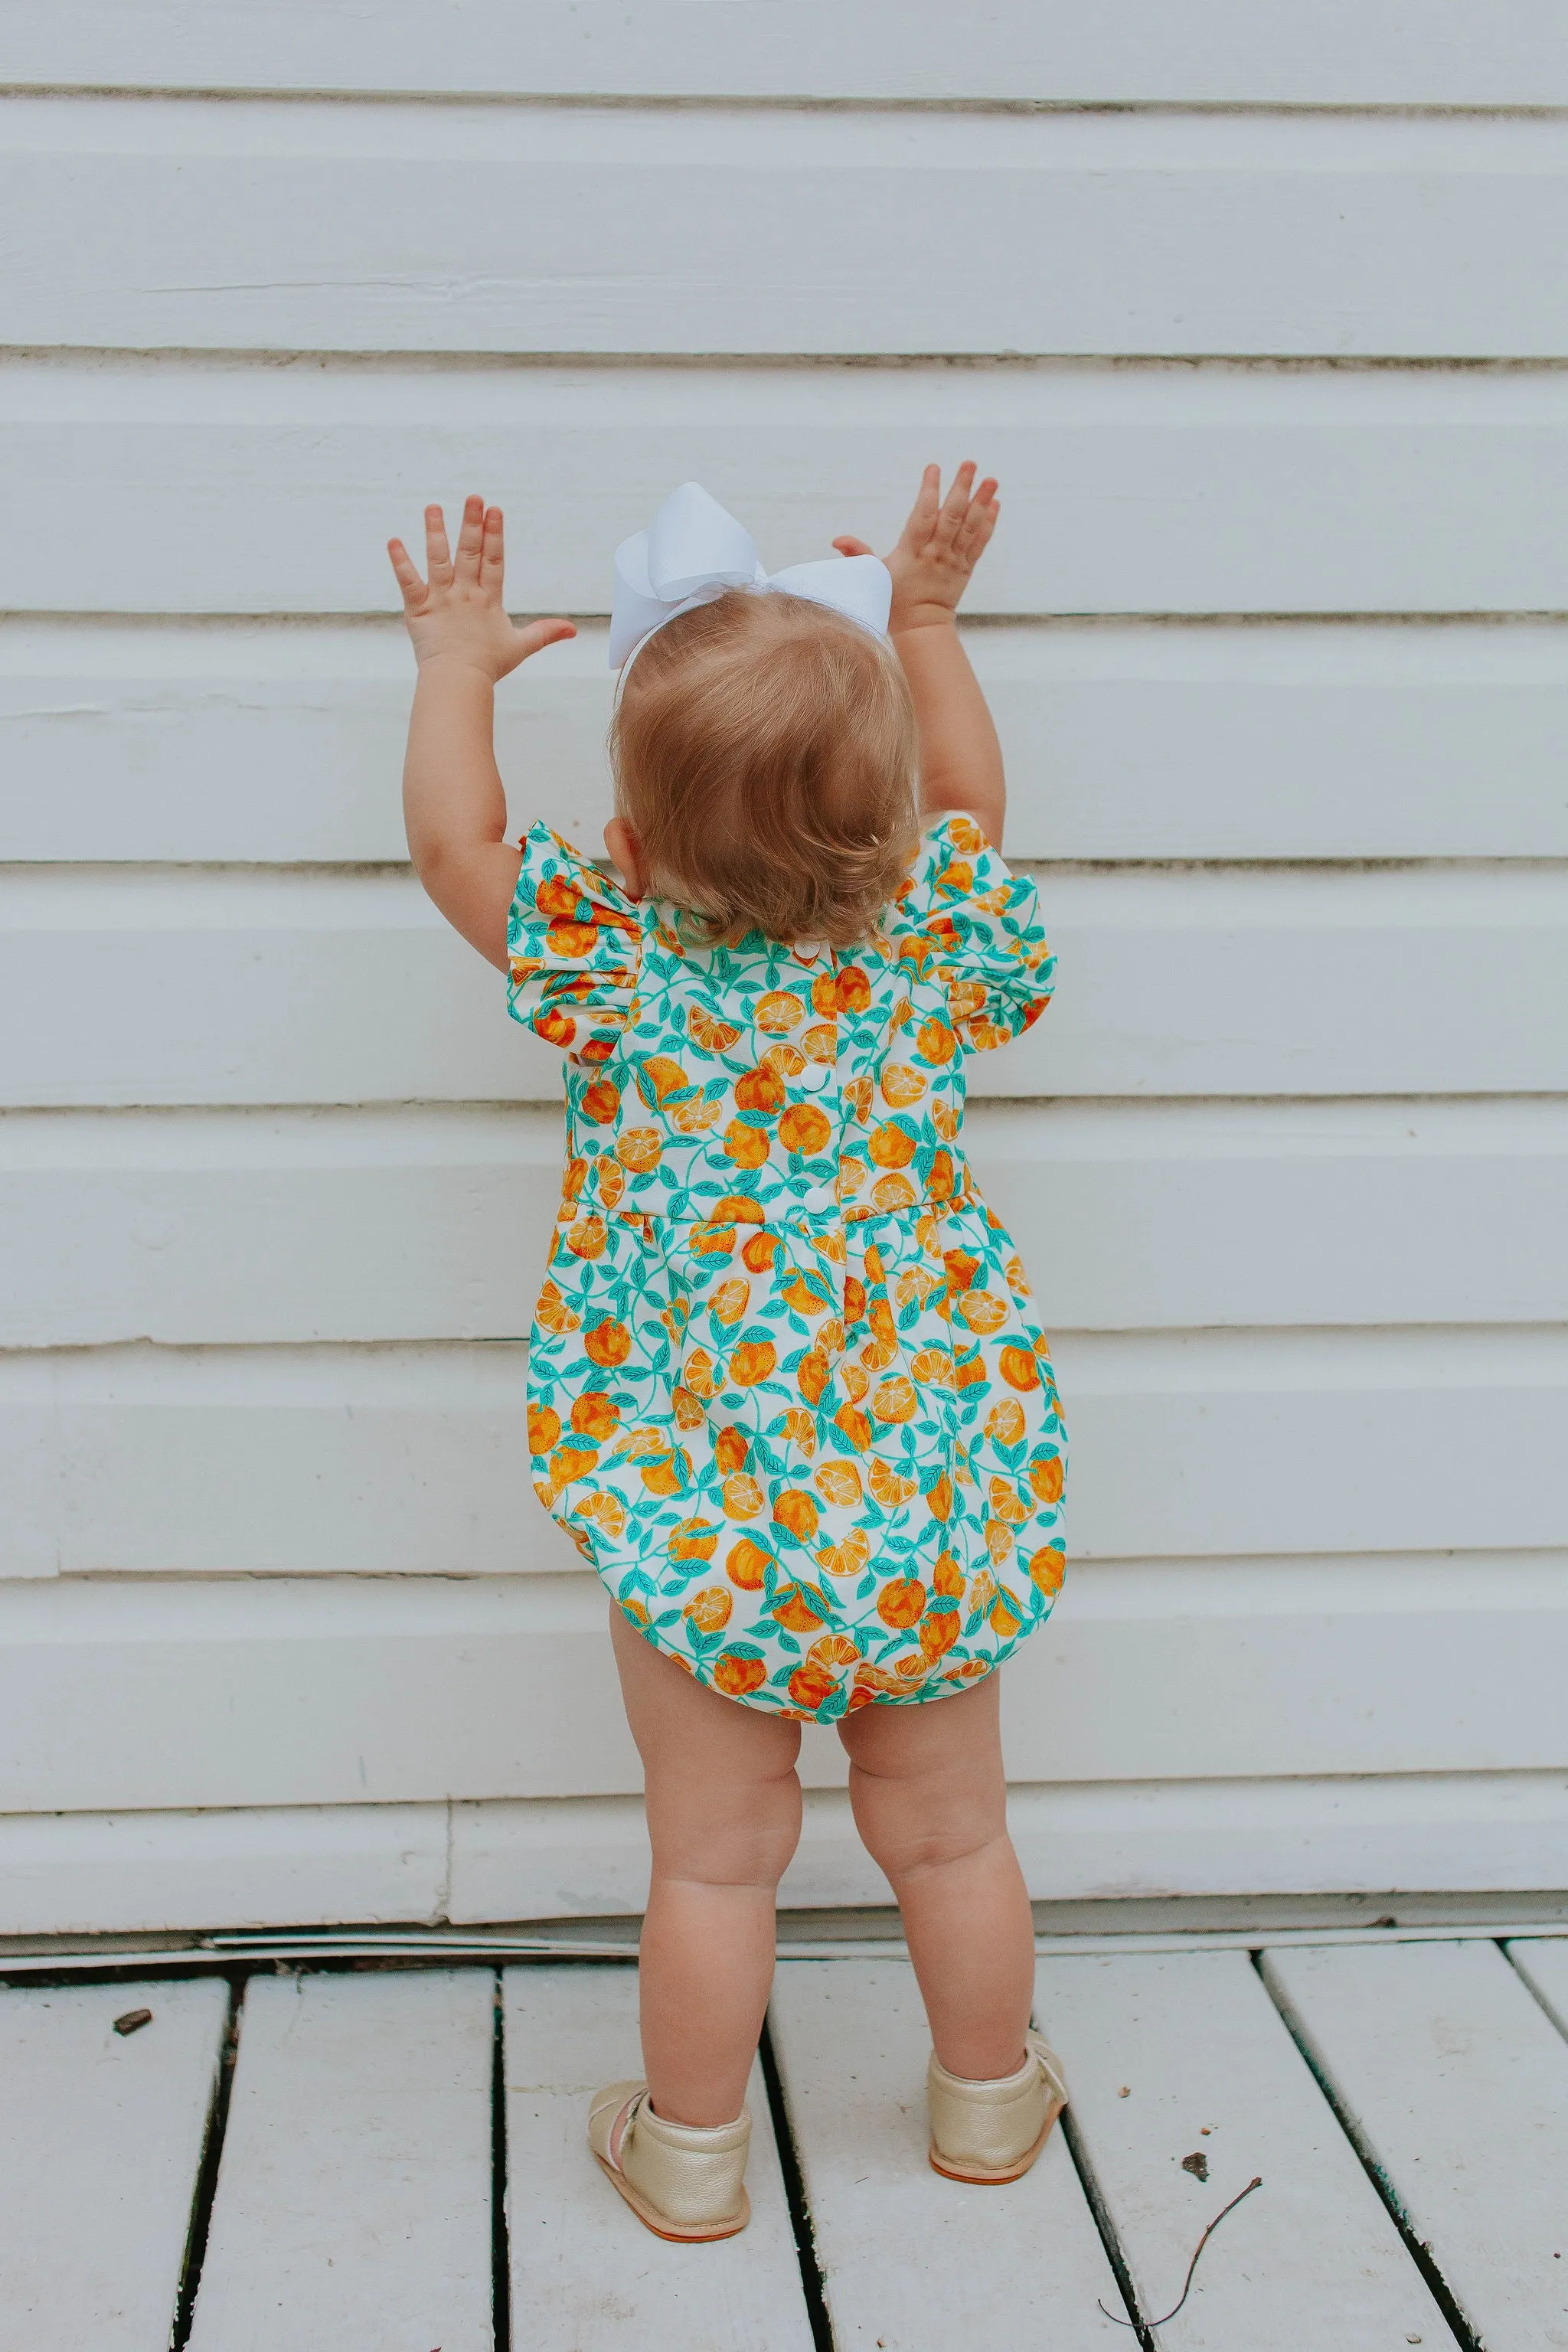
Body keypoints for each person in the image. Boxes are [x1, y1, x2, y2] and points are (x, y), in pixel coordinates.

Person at [389, 466, 1069, 2243]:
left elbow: (455, 850)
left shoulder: (606, 958)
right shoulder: (936, 933)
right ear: (901, 828)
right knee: (949, 1837)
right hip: (928, 1484)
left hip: (705, 1506)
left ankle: (689, 2152)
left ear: (624, 849)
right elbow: (981, 797)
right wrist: (920, 623)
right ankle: (989, 2109)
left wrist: (456, 666)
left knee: (712, 1854)